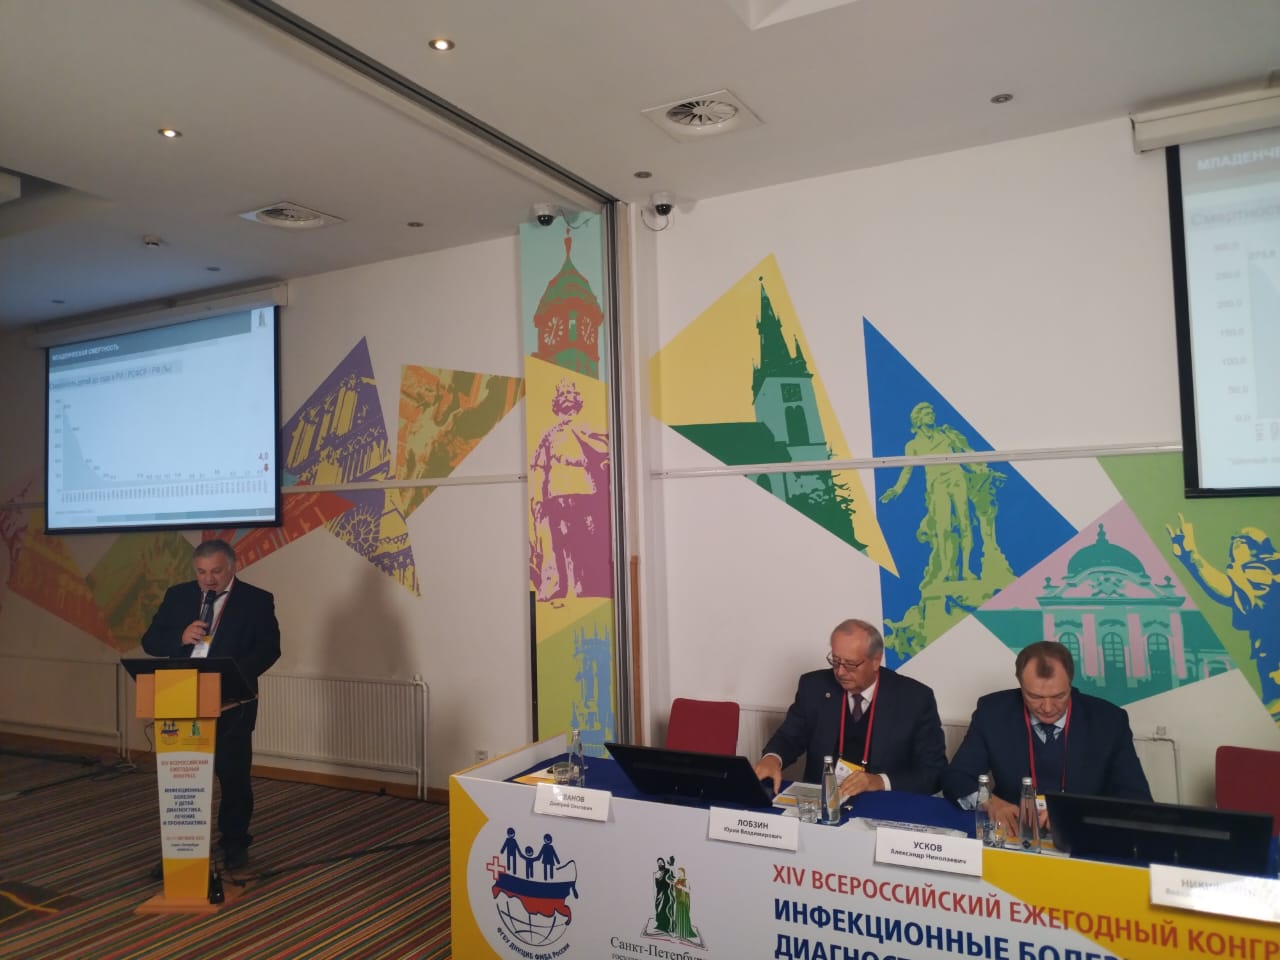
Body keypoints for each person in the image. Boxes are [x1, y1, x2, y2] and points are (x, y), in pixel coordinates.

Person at [141, 538, 280, 871]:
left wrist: (234, 677)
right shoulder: (178, 596)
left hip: (232, 702)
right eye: (201, 572)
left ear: (232, 567)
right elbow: (150, 641)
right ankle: (182, 850)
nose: (208, 579)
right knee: (184, 780)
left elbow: (269, 649)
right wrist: (179, 637)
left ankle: (234, 843)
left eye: (216, 571)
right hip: (182, 698)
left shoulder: (256, 600)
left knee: (233, 777)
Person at [942, 640, 1150, 838]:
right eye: (1035, 697)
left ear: (1070, 683)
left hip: (1082, 836)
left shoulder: (1109, 721)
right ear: (1020, 685)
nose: (1048, 708)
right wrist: (990, 802)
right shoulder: (993, 712)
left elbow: (1136, 800)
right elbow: (956, 778)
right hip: (1014, 833)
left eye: (1059, 696)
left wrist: (1077, 813)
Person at [753, 619, 947, 799]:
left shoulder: (915, 699)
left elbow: (934, 772)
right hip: (824, 801)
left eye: (851, 664)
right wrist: (773, 758)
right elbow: (789, 737)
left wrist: (880, 781)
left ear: (876, 661)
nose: (840, 672)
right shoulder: (814, 686)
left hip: (883, 804)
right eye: (835, 661)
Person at [1167, 515, 1279, 712]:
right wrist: (1188, 557)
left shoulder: (1265, 571)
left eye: (1239, 542)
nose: (1233, 548)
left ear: (1255, 549)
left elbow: (1227, 588)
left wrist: (1192, 555)